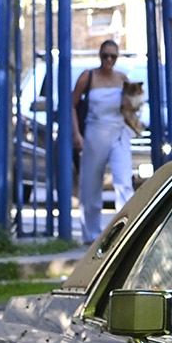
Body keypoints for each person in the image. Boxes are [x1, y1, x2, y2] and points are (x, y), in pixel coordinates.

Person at [72, 40, 134, 241]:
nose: (109, 60)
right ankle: (91, 234)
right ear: (100, 55)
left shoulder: (122, 78)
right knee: (91, 185)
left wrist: (129, 104)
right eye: (105, 55)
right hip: (95, 132)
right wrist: (76, 134)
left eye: (113, 56)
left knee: (124, 180)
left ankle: (127, 232)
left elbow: (134, 107)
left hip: (118, 132)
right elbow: (71, 105)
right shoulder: (88, 77)